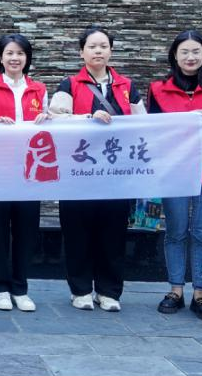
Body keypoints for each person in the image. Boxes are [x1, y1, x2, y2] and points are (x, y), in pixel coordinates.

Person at [49, 26, 147, 312]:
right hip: (78, 173)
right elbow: (55, 119)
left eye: (103, 46)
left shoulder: (127, 87)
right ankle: (80, 290)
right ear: (82, 52)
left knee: (113, 234)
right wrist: (88, 118)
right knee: (77, 233)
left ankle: (109, 291)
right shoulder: (69, 85)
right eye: (92, 46)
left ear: (111, 51)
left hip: (116, 175)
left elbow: (144, 124)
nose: (98, 51)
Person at [148, 29, 202, 321]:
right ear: (174, 55)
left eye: (196, 51)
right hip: (174, 170)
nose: (190, 57)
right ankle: (175, 290)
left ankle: (200, 294)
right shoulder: (158, 89)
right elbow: (152, 130)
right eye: (184, 51)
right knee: (176, 232)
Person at [0, 33, 48, 312]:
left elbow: (51, 131)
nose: (15, 58)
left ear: (27, 58)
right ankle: (0, 287)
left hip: (30, 173)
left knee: (26, 232)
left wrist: (47, 120)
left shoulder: (39, 90)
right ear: (0, 57)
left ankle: (20, 288)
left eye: (20, 53)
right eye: (9, 53)